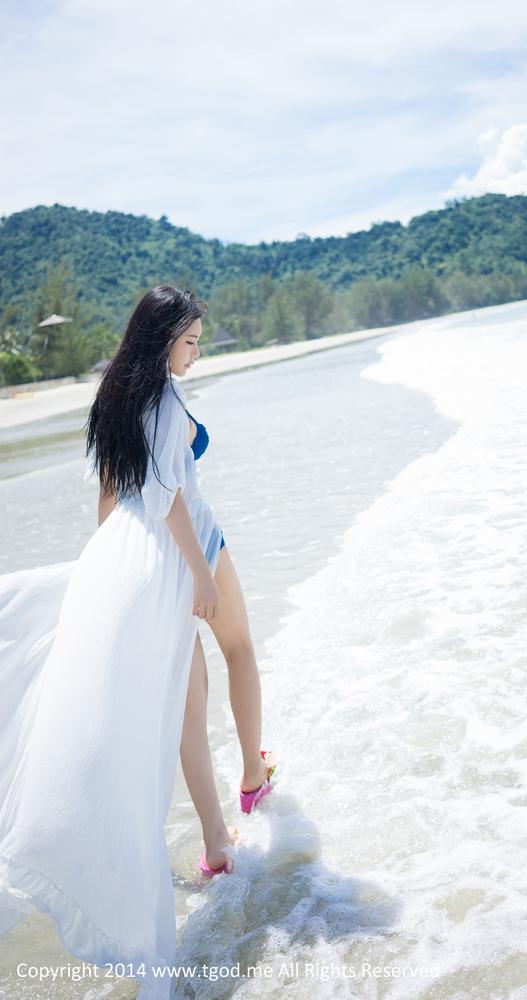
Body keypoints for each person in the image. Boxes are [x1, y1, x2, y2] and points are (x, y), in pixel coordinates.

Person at [0, 284, 277, 999]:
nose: (197, 351)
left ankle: (216, 842)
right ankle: (253, 778)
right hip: (190, 550)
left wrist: (107, 571)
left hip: (136, 559)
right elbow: (172, 495)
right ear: (162, 340)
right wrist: (200, 573)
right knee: (238, 650)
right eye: (191, 341)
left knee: (185, 708)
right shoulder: (162, 399)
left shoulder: (114, 396)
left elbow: (110, 491)